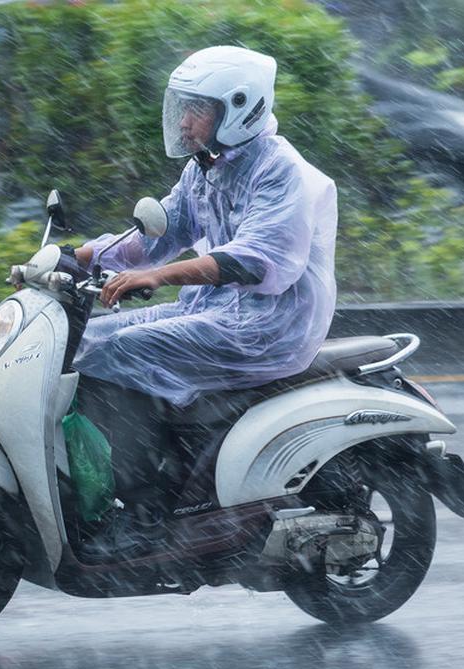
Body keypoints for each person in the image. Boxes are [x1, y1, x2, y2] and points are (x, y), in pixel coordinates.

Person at [71, 45, 339, 558]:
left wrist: (159, 276)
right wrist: (70, 258)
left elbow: (257, 261)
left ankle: (144, 511)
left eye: (198, 109)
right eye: (183, 107)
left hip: (269, 326)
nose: (186, 121)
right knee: (83, 341)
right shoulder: (206, 169)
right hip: (217, 312)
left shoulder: (281, 171)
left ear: (239, 109)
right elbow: (156, 235)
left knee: (120, 351)